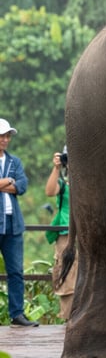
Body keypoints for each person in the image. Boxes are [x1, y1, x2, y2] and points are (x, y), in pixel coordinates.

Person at [45, 147, 106, 322]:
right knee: (68, 274)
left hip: (93, 231)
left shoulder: (94, 180)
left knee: (105, 273)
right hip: (66, 234)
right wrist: (56, 168)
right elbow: (49, 191)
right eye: (69, 159)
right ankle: (70, 318)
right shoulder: (64, 185)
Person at [0, 118, 36, 327]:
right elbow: (15, 183)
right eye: (2, 136)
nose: (5, 140)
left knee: (15, 272)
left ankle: (17, 314)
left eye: (7, 136)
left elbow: (22, 186)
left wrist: (9, 183)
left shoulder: (15, 162)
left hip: (13, 225)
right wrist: (8, 181)